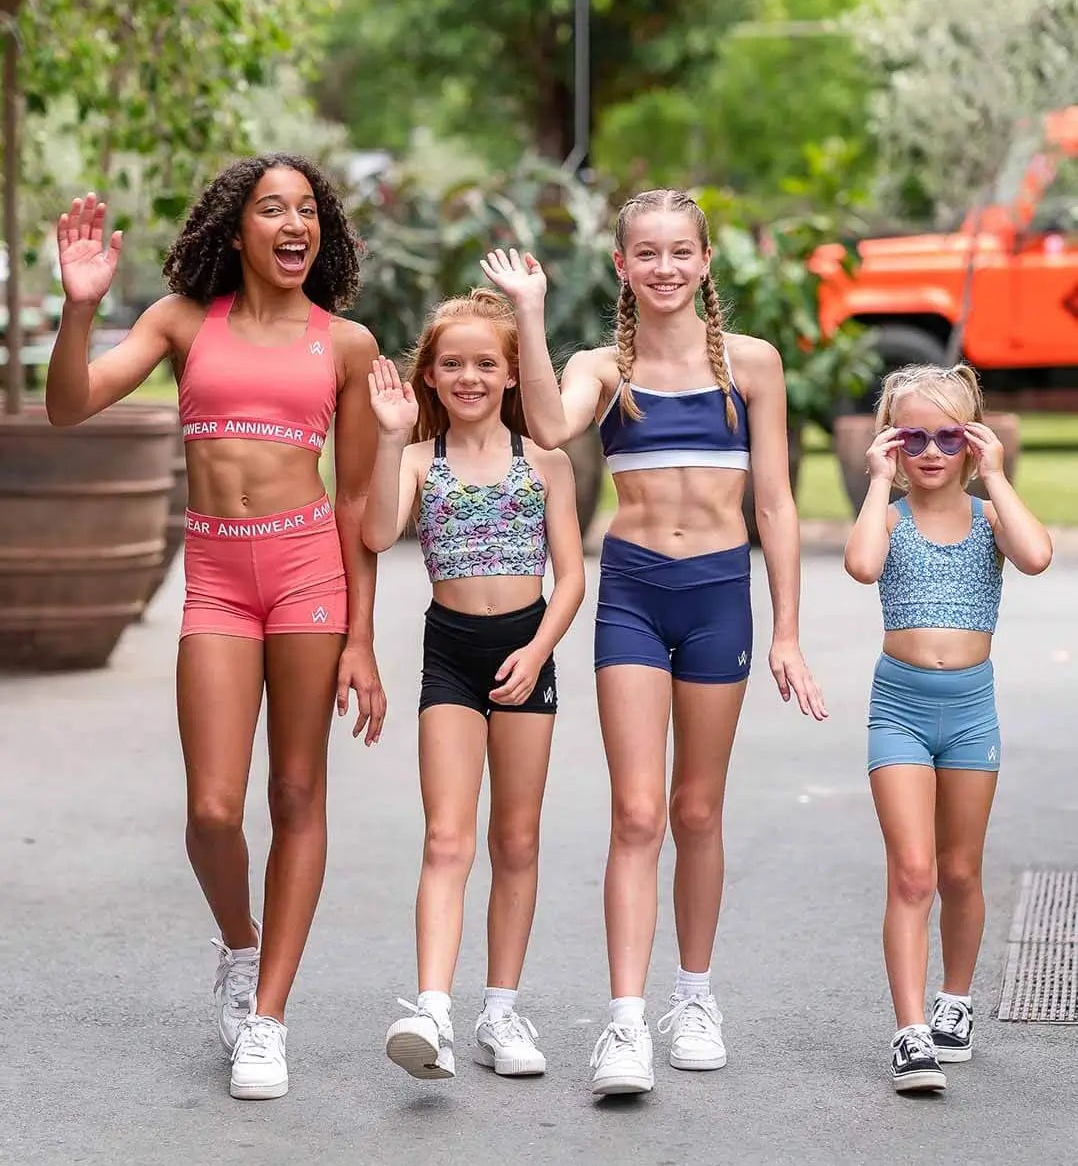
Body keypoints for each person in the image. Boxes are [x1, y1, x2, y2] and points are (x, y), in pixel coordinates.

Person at [44, 155, 387, 1101]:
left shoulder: (345, 344)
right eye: (272, 208)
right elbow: (68, 405)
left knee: (298, 789)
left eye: (307, 210)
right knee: (213, 811)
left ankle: (267, 1017)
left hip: (310, 574)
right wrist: (79, 308)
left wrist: (362, 638)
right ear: (236, 229)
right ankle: (241, 947)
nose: (294, 224)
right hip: (220, 582)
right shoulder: (182, 322)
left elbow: (357, 502)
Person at [481, 188, 828, 1097]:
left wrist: (788, 629)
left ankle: (695, 999)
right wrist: (528, 312)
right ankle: (626, 1022)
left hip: (719, 597)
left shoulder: (753, 365)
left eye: (681, 251)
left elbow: (774, 504)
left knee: (697, 811)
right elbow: (548, 425)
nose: (664, 267)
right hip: (633, 594)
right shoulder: (604, 367)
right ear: (623, 265)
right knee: (636, 813)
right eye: (647, 253)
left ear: (705, 261)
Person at [361, 287, 585, 1081]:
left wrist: (538, 649)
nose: (468, 377)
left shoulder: (545, 462)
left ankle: (501, 1009)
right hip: (450, 655)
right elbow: (376, 532)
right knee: (446, 837)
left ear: (512, 373)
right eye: (451, 364)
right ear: (428, 375)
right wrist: (390, 438)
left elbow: (570, 578)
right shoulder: (419, 460)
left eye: (485, 363)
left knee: (516, 839)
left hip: (526, 650)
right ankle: (432, 1010)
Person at [843, 364, 1052, 1094]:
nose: (931, 451)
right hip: (899, 708)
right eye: (913, 438)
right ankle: (909, 1032)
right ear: (891, 444)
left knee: (961, 870)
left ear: (973, 440)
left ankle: (954, 1001)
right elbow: (861, 565)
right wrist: (877, 482)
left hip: (970, 713)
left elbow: (1037, 555)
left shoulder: (990, 517)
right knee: (913, 872)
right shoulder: (889, 517)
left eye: (948, 436)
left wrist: (995, 475)